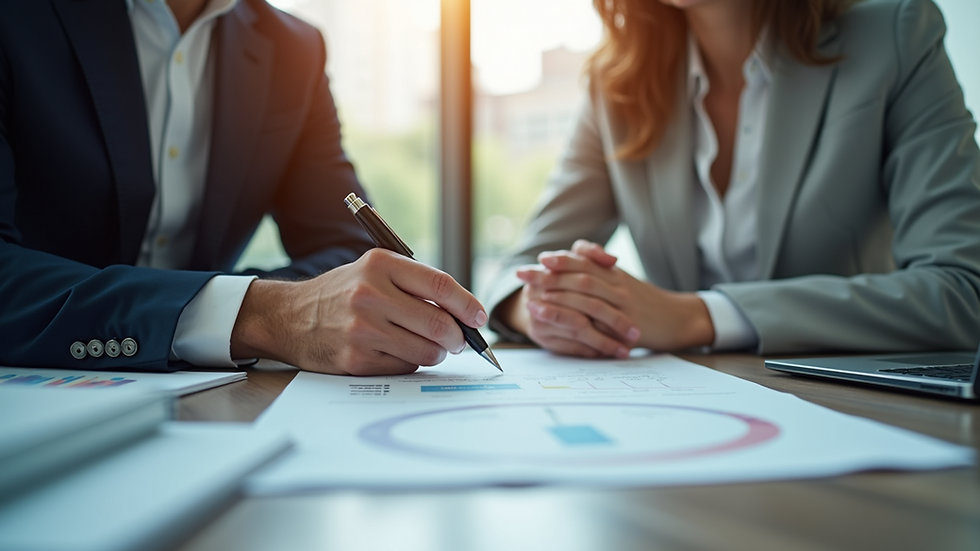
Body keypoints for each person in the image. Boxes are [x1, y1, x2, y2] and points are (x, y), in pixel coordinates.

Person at [0, 0, 488, 375]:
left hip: (211, 400)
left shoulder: (293, 49)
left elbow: (345, 247)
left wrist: (271, 305)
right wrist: (255, 313)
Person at [487, 0, 980, 358]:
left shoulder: (896, 35)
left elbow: (962, 290)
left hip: (858, 411)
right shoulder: (616, 82)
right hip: (686, 414)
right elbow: (518, 269)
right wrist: (548, 311)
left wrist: (693, 316)